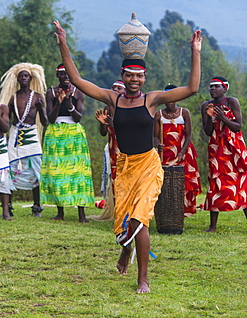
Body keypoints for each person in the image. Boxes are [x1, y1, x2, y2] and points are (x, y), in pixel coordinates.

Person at [53, 19, 201, 294]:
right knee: (124, 222)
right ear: (122, 76)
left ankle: (143, 278)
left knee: (140, 218)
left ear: (144, 78)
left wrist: (195, 50)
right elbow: (77, 80)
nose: (135, 80)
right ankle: (125, 249)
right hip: (125, 166)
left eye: (139, 76)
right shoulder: (113, 99)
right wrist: (63, 43)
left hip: (148, 165)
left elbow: (191, 89)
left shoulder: (152, 100)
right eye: (130, 75)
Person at [40, 63, 94, 222]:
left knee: (78, 173)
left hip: (74, 134)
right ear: (57, 76)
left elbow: (78, 118)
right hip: (56, 133)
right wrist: (58, 102)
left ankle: (81, 214)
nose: (66, 77)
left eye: (68, 74)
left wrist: (69, 104)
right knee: (57, 172)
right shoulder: (50, 92)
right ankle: (60, 212)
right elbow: (50, 119)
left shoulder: (79, 92)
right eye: (62, 74)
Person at [0, 63, 48, 217]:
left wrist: (41, 109)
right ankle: (9, 205)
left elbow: (46, 122)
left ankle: (36, 206)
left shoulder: (38, 97)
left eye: (26, 76)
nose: (24, 78)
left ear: (30, 78)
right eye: (21, 76)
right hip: (15, 135)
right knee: (10, 169)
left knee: (36, 169)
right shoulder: (12, 98)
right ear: (18, 79)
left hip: (31, 135)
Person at [201, 76, 247, 232]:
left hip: (234, 148)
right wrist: (209, 116)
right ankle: (212, 226)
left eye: (216, 86)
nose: (212, 89)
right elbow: (208, 131)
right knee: (216, 182)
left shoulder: (231, 102)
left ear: (224, 88)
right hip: (216, 148)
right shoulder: (206, 105)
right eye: (210, 86)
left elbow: (237, 126)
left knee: (240, 182)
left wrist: (222, 118)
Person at [154, 84, 201, 217]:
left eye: (172, 98)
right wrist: (158, 145)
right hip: (165, 154)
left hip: (183, 152)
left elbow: (189, 135)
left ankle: (182, 212)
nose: (169, 102)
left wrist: (182, 153)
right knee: (166, 183)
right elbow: (155, 137)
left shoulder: (184, 112)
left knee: (184, 182)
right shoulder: (158, 115)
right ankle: (167, 211)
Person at [94, 80, 125, 220]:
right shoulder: (108, 107)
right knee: (114, 177)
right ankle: (117, 211)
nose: (115, 90)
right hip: (113, 147)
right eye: (113, 88)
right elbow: (103, 132)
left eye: (119, 88)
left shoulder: (128, 105)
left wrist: (116, 125)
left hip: (128, 146)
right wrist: (103, 124)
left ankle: (128, 210)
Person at [0, 103, 15, 220]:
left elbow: (5, 128)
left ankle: (5, 212)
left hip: (0, 145)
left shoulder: (3, 108)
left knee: (4, 177)